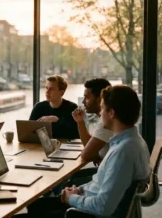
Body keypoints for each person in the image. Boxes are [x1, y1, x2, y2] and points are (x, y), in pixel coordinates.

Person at [23, 85, 150, 218]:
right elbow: (100, 183)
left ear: (111, 113)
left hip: (83, 214)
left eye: (102, 109)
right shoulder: (133, 141)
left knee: (34, 208)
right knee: (36, 205)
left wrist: (71, 198)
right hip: (87, 200)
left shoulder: (122, 153)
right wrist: (79, 190)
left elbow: (102, 206)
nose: (100, 114)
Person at [72, 78, 113, 162]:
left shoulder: (106, 123)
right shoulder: (105, 119)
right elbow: (90, 146)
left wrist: (80, 122)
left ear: (100, 99)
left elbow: (87, 154)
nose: (83, 102)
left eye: (87, 97)